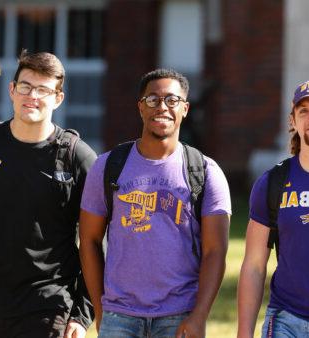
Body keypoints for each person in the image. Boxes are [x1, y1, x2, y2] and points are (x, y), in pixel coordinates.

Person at [0, 51, 96, 338]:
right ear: (12, 90)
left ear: (58, 98)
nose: (32, 96)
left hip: (49, 309)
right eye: (25, 86)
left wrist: (82, 315)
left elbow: (96, 241)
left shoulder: (77, 158)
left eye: (43, 90)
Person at [79, 68, 231, 337]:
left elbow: (215, 252)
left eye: (172, 100)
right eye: (153, 100)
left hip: (179, 316)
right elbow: (89, 240)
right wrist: (102, 310)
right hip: (119, 315)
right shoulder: (107, 166)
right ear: (140, 107)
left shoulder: (205, 171)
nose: (162, 107)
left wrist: (199, 316)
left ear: (185, 109)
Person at [237, 79, 309, 338]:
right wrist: (244, 333)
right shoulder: (272, 183)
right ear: (292, 120)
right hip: (285, 321)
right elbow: (254, 266)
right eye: (303, 111)